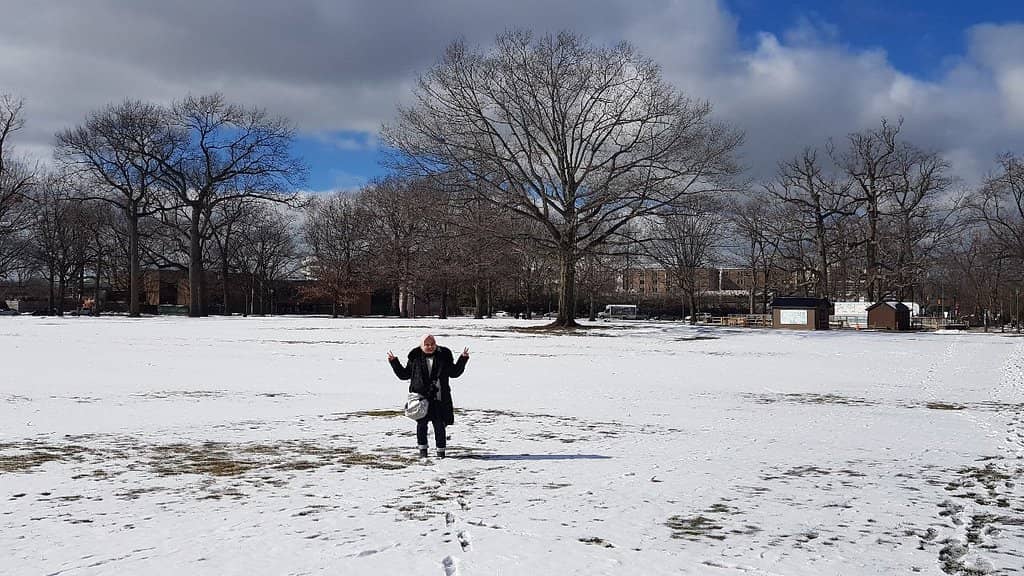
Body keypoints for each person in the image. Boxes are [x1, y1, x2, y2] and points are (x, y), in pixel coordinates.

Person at [388, 334, 469, 458]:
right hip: (421, 399)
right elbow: (404, 375)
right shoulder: (415, 357)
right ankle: (423, 451)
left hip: (439, 398)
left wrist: (463, 359)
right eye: (427, 344)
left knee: (439, 425)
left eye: (432, 344)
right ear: (422, 346)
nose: (430, 347)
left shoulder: (443, 356)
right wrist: (394, 362)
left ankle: (441, 452)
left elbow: (454, 372)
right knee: (421, 425)